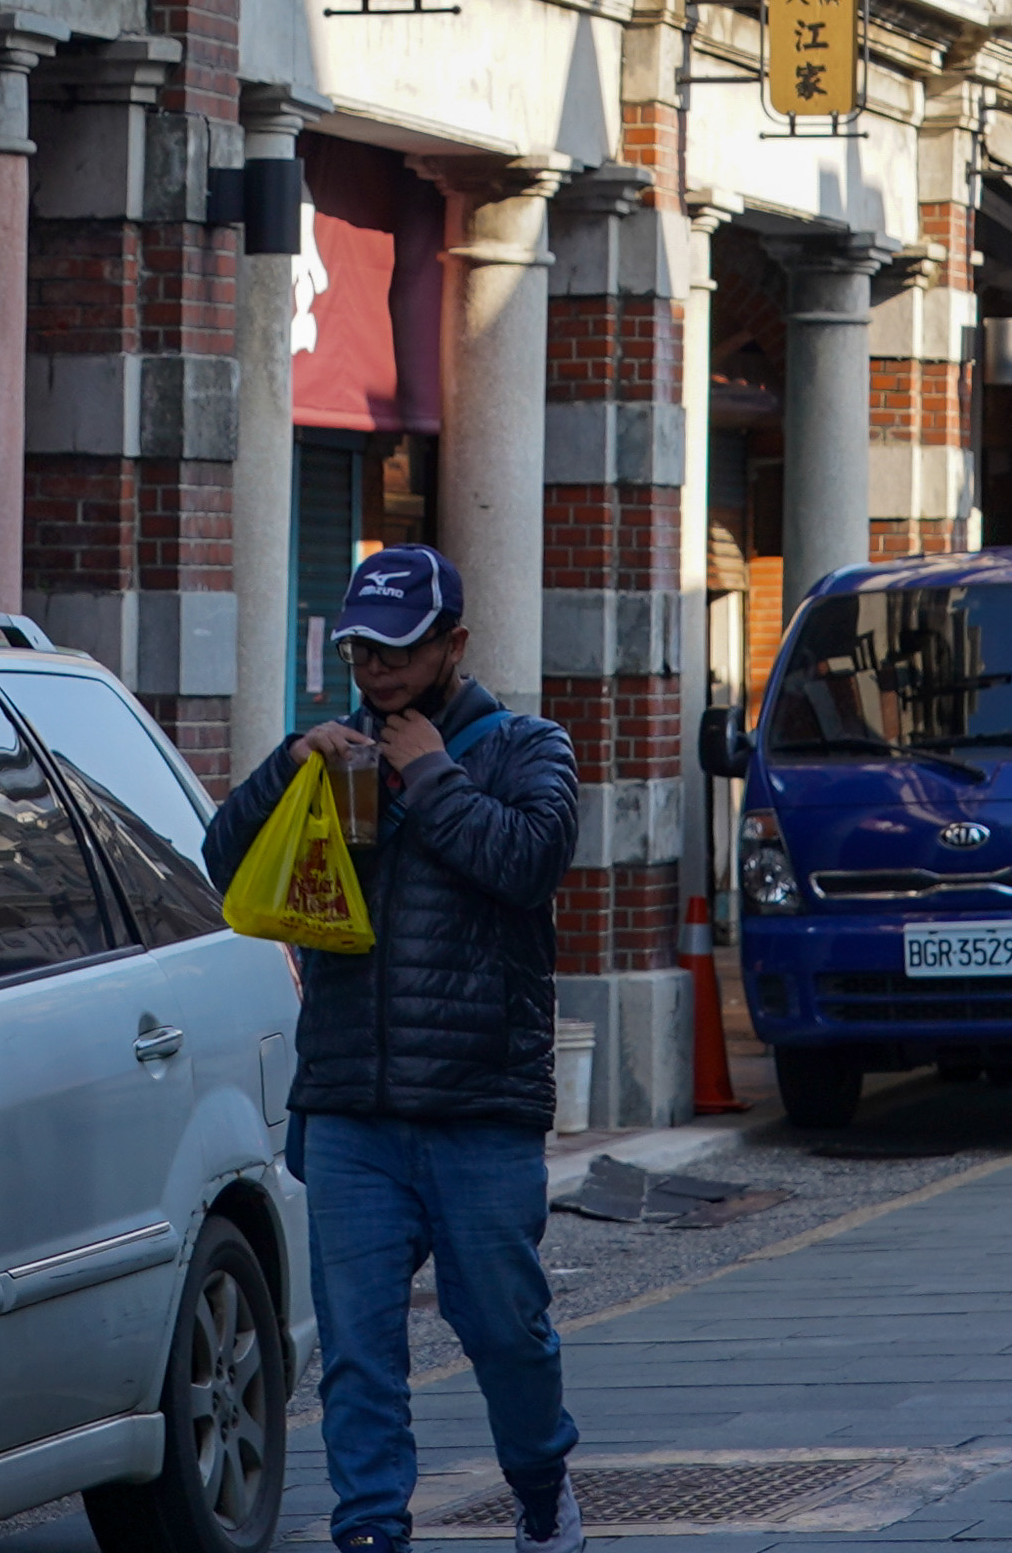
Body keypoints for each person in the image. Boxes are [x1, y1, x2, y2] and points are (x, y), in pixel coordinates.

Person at [200, 542, 583, 1553]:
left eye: (401, 652)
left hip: (479, 1109)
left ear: (455, 643)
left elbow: (530, 863)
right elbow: (223, 862)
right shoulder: (331, 751)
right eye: (363, 650)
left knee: (506, 1331)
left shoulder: (527, 747)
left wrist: (432, 777)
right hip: (349, 1111)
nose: (377, 673)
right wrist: (287, 768)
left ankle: (542, 1487)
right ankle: (371, 1533)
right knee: (359, 1355)